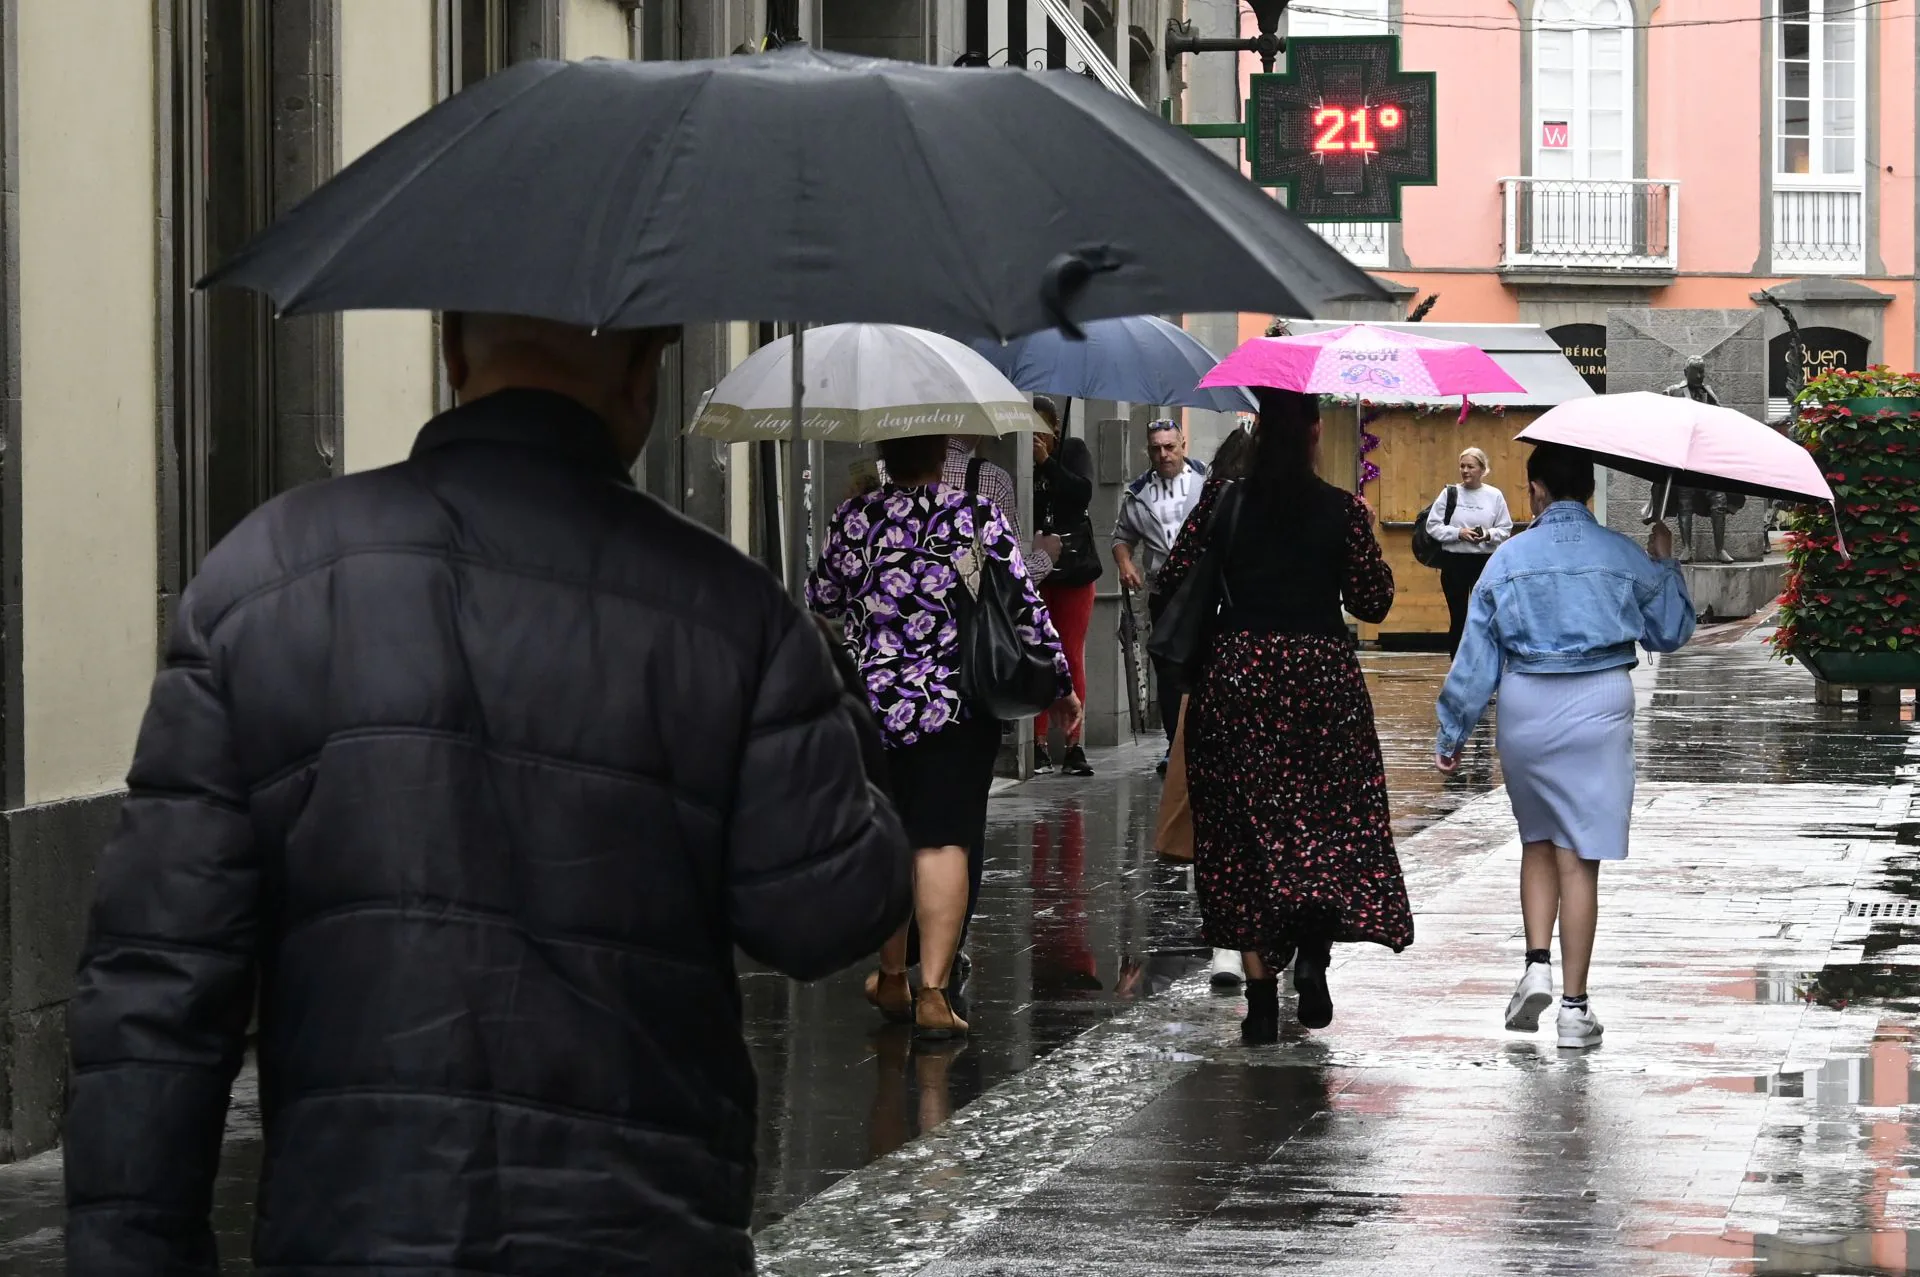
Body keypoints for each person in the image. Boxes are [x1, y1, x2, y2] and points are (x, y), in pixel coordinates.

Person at [64, 313, 913, 1276]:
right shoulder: (729, 611)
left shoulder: (259, 583)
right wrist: (828, 681)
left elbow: (158, 985)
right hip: (640, 1231)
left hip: (359, 1230)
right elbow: (825, 911)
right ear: (646, 371)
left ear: (453, 351)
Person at [1157, 388, 1411, 1043]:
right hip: (1321, 682)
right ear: (1315, 432)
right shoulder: (1342, 510)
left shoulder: (1222, 501)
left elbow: (1170, 583)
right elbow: (1375, 600)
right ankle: (1315, 959)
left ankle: (1261, 998)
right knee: (1321, 829)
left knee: (1242, 840)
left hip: (1237, 679)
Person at [810, 432, 1078, 1039]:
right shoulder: (973, 514)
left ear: (882, 450)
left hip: (874, 705)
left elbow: (820, 596)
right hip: (954, 707)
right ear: (943, 455)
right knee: (944, 841)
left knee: (891, 839)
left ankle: (891, 976)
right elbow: (1022, 603)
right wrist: (1059, 683)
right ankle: (933, 991)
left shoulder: (855, 514)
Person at [1434, 442, 1695, 1052]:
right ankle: (1574, 1012)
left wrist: (1453, 729)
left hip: (1527, 705)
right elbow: (1671, 632)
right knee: (1581, 857)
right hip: (1598, 706)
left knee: (1538, 841)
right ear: (1590, 492)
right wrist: (1666, 564)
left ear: (1536, 490)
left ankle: (1535, 965)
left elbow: (1477, 656)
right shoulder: (1623, 555)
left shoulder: (1506, 561)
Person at [1113, 420, 1209, 768]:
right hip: (1163, 590)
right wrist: (1125, 564)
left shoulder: (1207, 483)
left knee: (1205, 666)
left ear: (1184, 444)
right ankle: (1175, 744)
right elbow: (1121, 536)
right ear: (1148, 450)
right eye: (1156, 448)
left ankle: (1203, 742)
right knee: (1169, 670)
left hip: (1203, 590)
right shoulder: (1139, 492)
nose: (1164, 454)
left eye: (1170, 446)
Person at [1029, 396, 1100, 776]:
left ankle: (1074, 744)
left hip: (1072, 571)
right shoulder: (1019, 459)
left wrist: (1047, 463)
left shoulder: (1073, 451)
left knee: (1070, 654)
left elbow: (1081, 493)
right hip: (1036, 573)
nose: (1034, 436)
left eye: (1039, 427)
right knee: (1037, 651)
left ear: (1055, 427)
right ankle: (1037, 741)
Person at [1425, 446, 1514, 656]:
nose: (1465, 471)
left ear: (1482, 469)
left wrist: (1488, 534)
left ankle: (1482, 659)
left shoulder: (1494, 496)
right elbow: (1433, 526)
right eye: (1462, 466)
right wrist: (1459, 533)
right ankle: (1457, 662)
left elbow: (1505, 528)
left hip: (1483, 561)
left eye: (1471, 466)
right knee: (1458, 616)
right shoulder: (1449, 493)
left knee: (1483, 614)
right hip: (1454, 561)